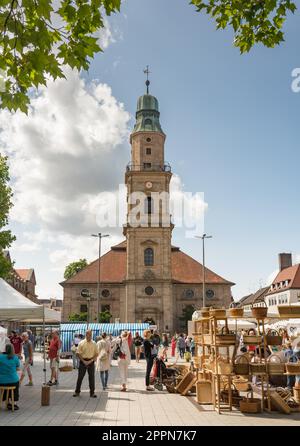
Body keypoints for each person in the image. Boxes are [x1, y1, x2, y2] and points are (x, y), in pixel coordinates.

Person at [73, 330, 98, 398]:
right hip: (82, 361)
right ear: (86, 334)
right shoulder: (81, 343)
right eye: (88, 334)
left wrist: (91, 360)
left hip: (91, 361)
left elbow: (96, 354)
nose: (89, 335)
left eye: (90, 334)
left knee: (92, 378)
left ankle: (92, 393)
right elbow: (78, 353)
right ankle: (77, 392)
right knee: (80, 377)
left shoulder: (94, 343)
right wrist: (83, 361)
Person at [0, 344, 21, 410]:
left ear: (5, 349)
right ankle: (14, 403)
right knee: (16, 384)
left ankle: (7, 401)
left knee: (5, 384)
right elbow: (17, 367)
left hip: (2, 381)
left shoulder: (0, 357)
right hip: (13, 380)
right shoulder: (15, 357)